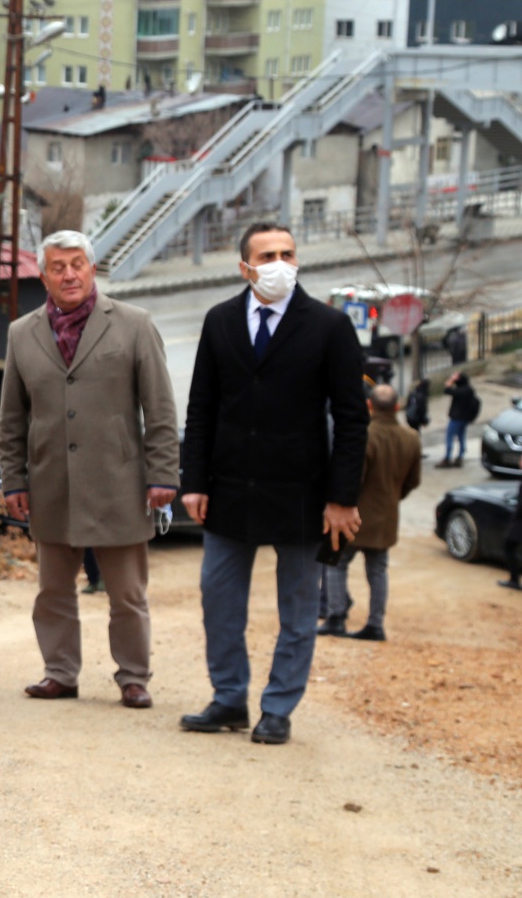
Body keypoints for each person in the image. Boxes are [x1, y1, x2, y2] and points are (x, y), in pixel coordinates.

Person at [179, 222, 368, 745]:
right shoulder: (219, 321)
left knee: (299, 609)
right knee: (218, 600)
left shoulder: (329, 326)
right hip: (230, 489)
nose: (279, 262)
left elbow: (353, 419)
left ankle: (279, 706)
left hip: (303, 494)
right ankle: (228, 698)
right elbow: (201, 408)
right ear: (245, 266)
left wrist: (341, 498)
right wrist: (192, 482)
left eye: (287, 252)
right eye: (267, 254)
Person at [0, 230, 179, 710]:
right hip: (50, 483)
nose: (69, 274)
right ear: (43, 276)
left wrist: (164, 474)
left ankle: (134, 677)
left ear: (92, 269)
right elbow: (12, 417)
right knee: (53, 591)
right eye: (57, 267)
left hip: (119, 483)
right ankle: (59, 672)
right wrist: (14, 478)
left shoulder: (134, 325)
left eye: (77, 264)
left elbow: (159, 408)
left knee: (127, 593)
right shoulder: (22, 334)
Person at [318, 384, 420, 642]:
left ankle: (336, 617)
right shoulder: (411, 437)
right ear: (397, 407)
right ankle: (375, 624)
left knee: (333, 563)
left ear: (369, 406)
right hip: (386, 518)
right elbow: (413, 480)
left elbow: (352, 480)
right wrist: (393, 497)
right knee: (377, 571)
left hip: (350, 515)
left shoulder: (364, 436)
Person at [438, 371, 480, 468]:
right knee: (461, 436)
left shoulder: (461, 391)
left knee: (449, 437)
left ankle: (448, 458)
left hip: (456, 418)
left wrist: (451, 381)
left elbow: (446, 390)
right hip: (465, 418)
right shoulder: (469, 389)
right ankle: (460, 456)